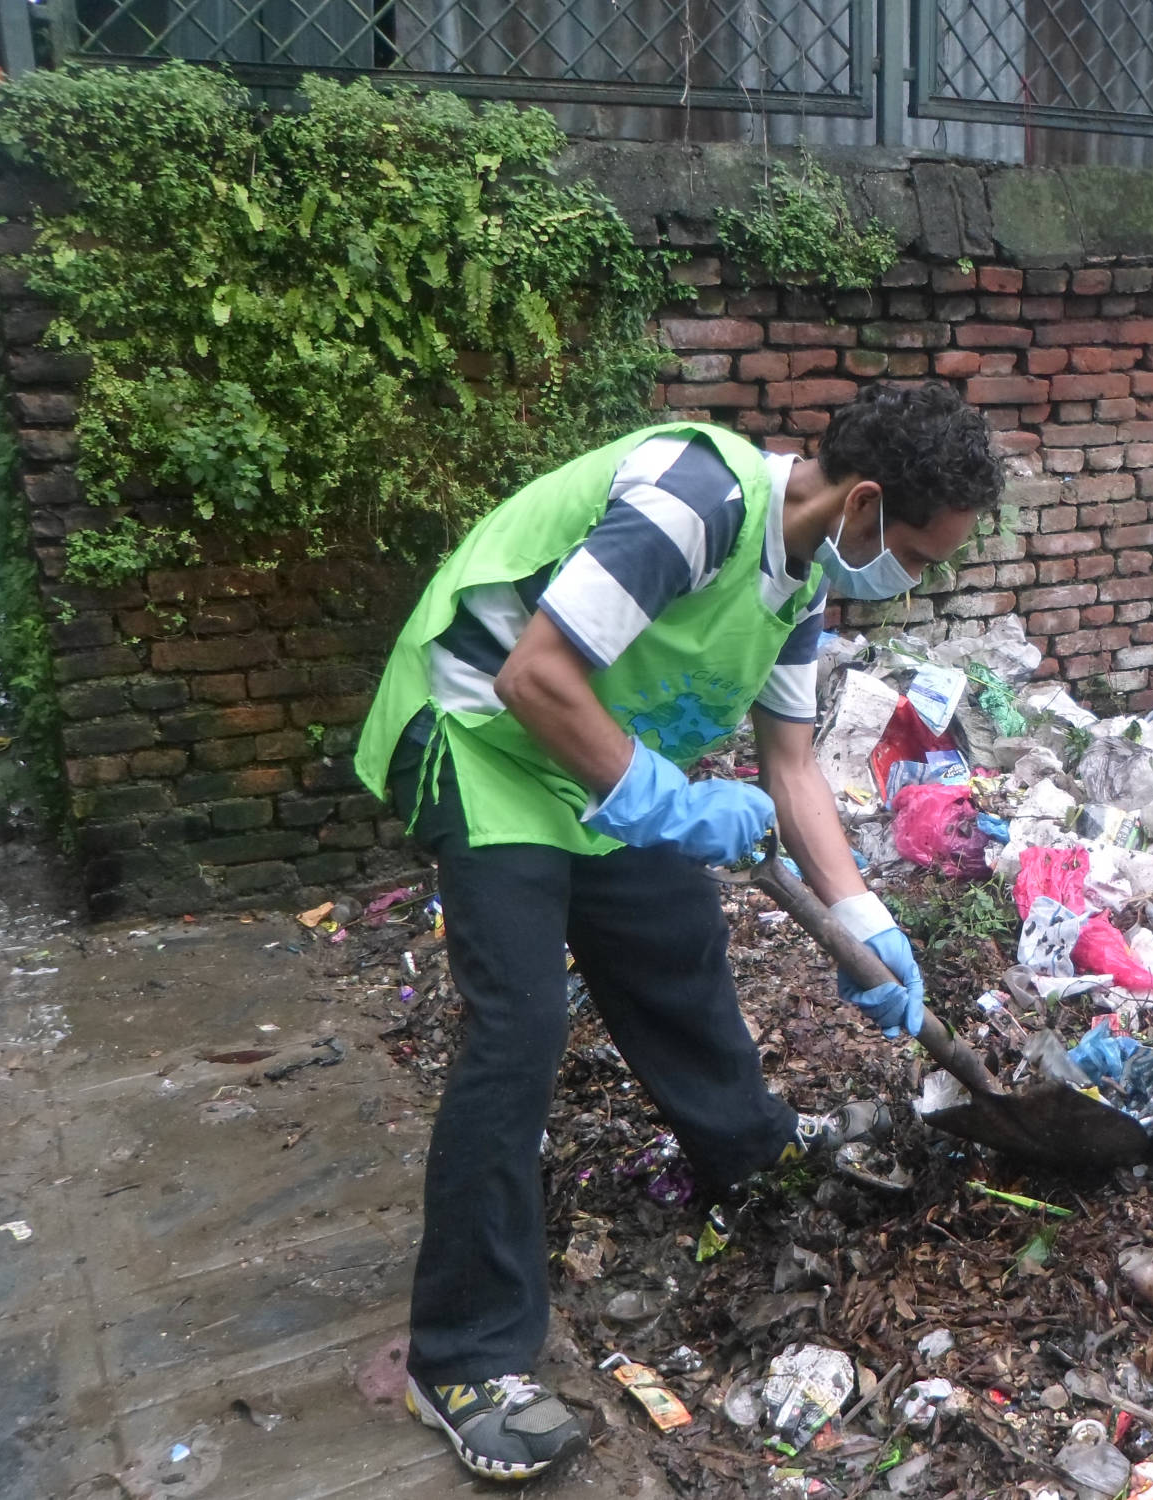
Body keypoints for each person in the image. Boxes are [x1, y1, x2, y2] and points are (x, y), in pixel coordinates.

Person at [353, 383, 1005, 1482]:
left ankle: (747, 1146)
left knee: (673, 938)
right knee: (520, 1028)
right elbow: (532, 674)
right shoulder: (693, 502)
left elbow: (791, 764)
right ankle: (462, 1357)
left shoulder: (800, 582)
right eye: (916, 556)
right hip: (478, 732)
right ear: (864, 504)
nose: (912, 579)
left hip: (594, 758)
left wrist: (862, 915)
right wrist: (668, 804)